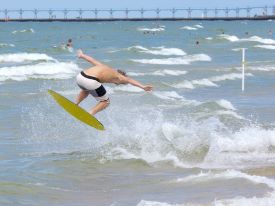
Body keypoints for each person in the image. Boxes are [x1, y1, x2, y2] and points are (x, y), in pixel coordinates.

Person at [76, 50, 153, 115]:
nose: (117, 84)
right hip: (91, 81)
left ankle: (76, 104)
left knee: (86, 89)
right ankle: (90, 114)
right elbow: (130, 80)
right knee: (106, 102)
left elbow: (92, 60)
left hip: (80, 76)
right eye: (120, 83)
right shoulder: (119, 76)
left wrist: (81, 55)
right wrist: (143, 87)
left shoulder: (103, 66)